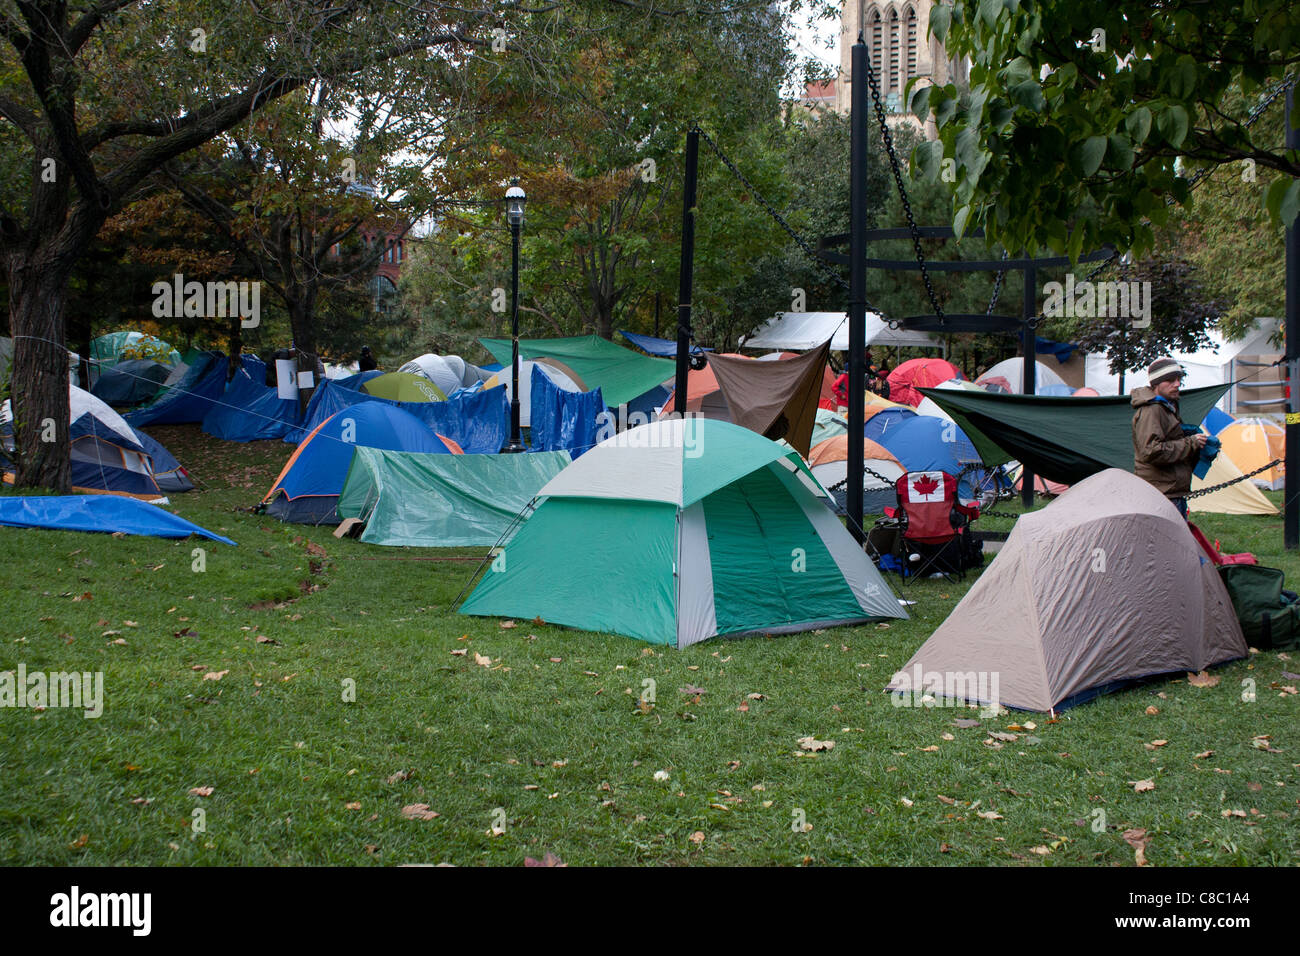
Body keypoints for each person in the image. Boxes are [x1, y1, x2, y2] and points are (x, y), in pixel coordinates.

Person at [1131, 356, 1207, 518]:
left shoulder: (1167, 406)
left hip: (1170, 491)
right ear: (1156, 384)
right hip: (1161, 494)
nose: (1177, 384)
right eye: (1170, 380)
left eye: (1179, 379)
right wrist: (1190, 443)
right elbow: (1151, 451)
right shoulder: (1152, 410)